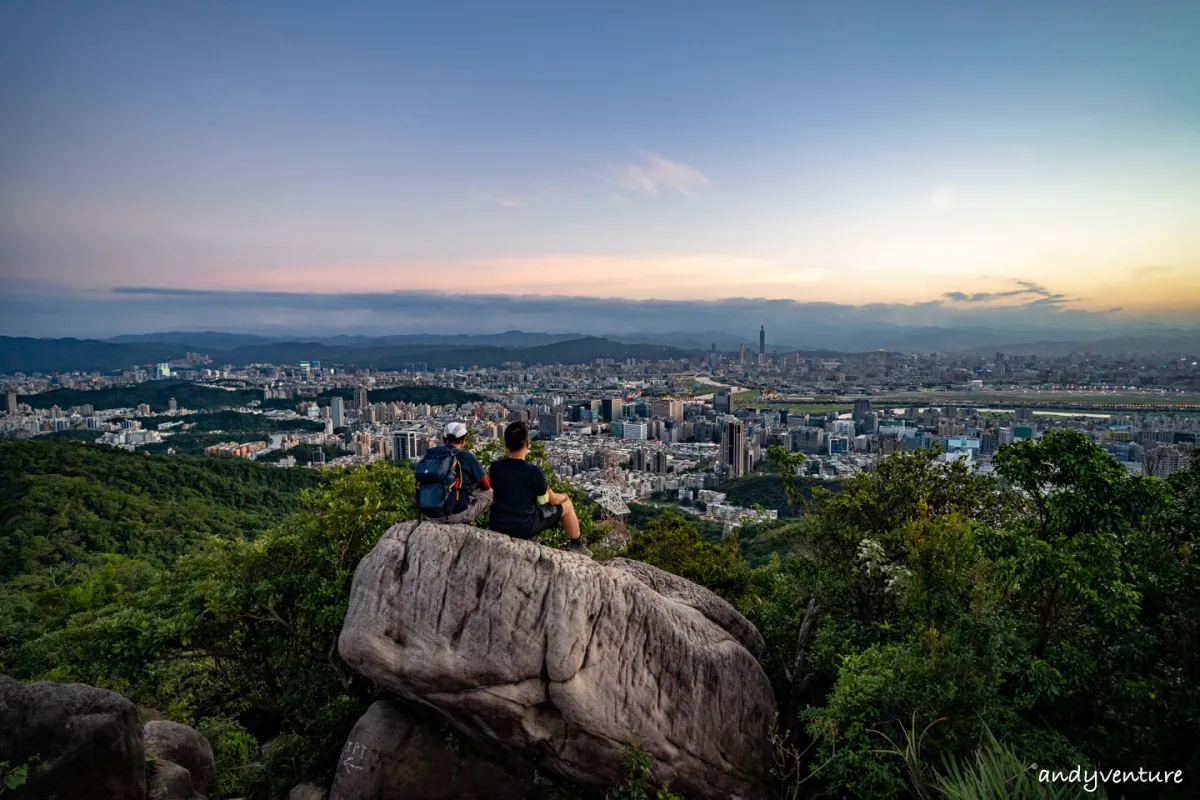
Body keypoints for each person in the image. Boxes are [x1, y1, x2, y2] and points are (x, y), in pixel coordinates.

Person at [489, 421, 586, 551]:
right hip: (525, 526)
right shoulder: (533, 472)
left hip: (497, 524)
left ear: (506, 445)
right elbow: (552, 500)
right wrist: (565, 496)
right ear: (528, 443)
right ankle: (576, 544)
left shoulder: (495, 467)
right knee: (567, 505)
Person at [419, 422, 492, 524]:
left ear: (444, 439)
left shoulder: (430, 455)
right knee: (491, 493)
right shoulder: (467, 457)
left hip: (429, 514)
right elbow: (486, 486)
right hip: (456, 515)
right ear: (463, 440)